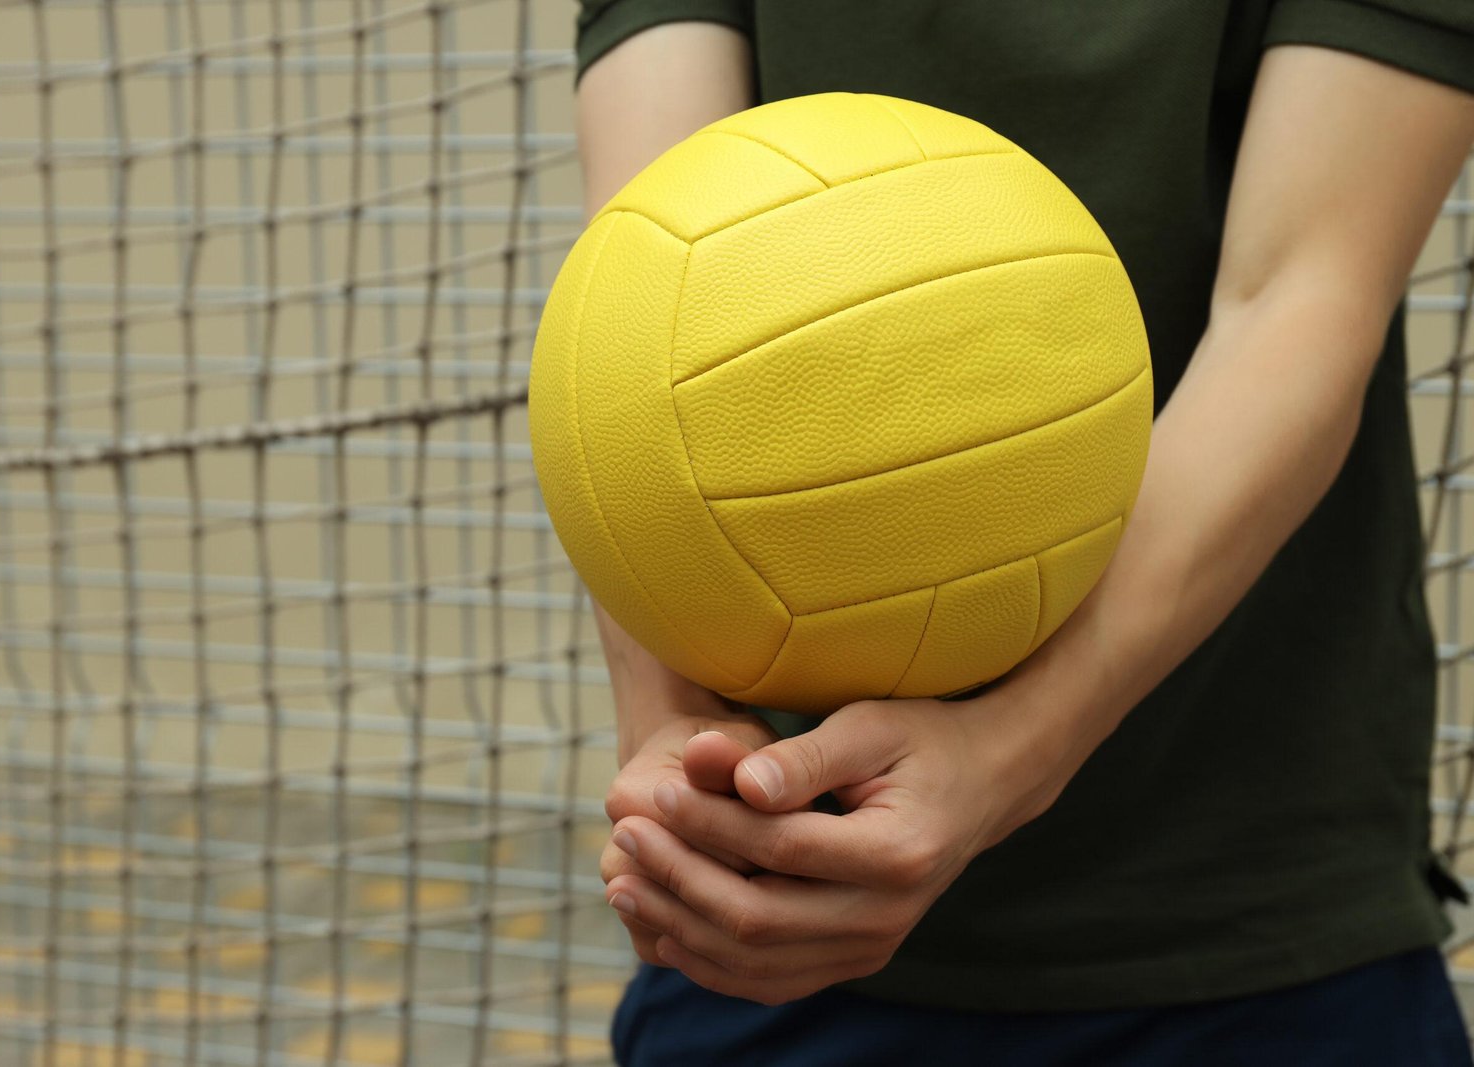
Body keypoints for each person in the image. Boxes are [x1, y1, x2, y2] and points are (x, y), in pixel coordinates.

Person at [569, 2, 1474, 1062]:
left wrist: (1006, 750)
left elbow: (1297, 299)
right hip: (772, 903)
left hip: (1247, 905)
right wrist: (678, 753)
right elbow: (636, 316)